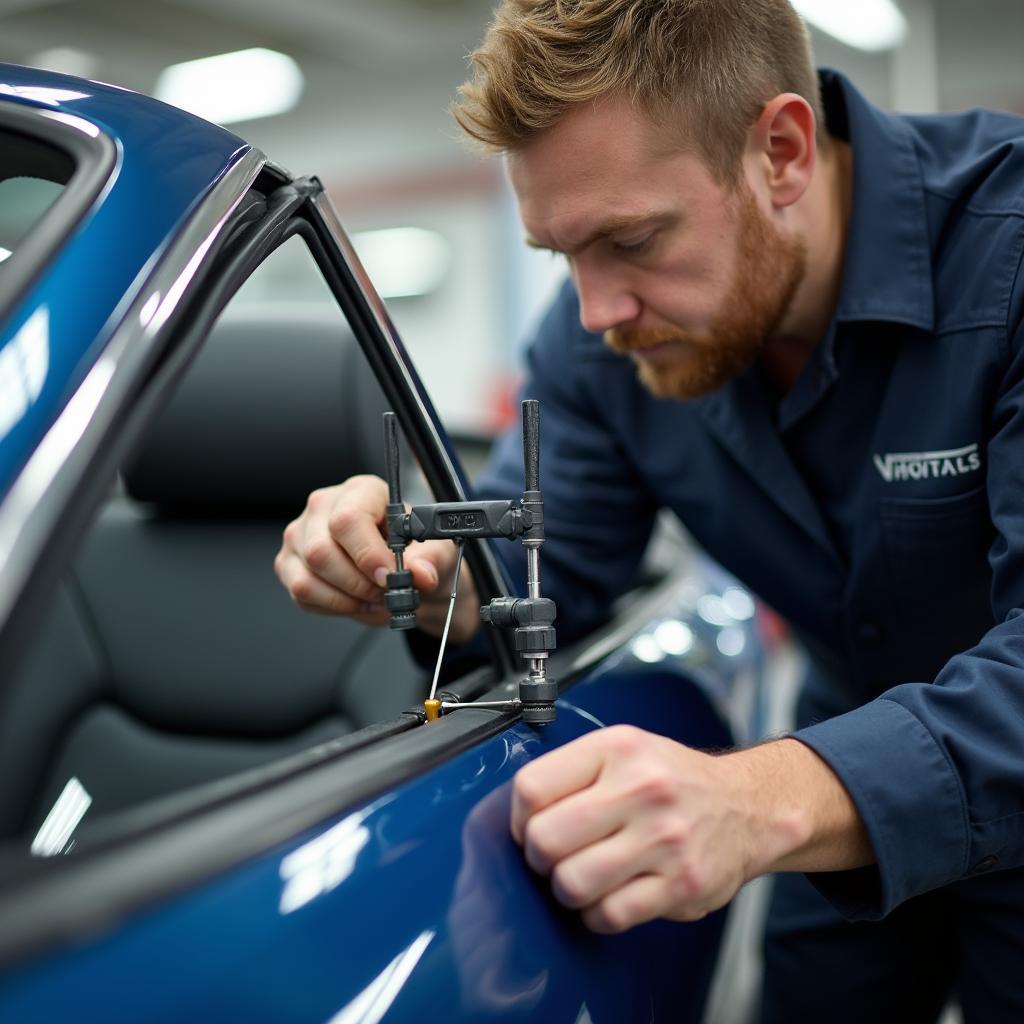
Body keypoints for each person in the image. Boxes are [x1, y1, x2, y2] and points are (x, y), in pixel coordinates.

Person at [274, 1, 1024, 1018]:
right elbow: (557, 577)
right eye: (561, 254)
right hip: (846, 777)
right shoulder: (600, 342)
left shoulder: (1007, 256)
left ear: (782, 152)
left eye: (631, 238)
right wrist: (419, 577)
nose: (595, 313)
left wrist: (757, 800)